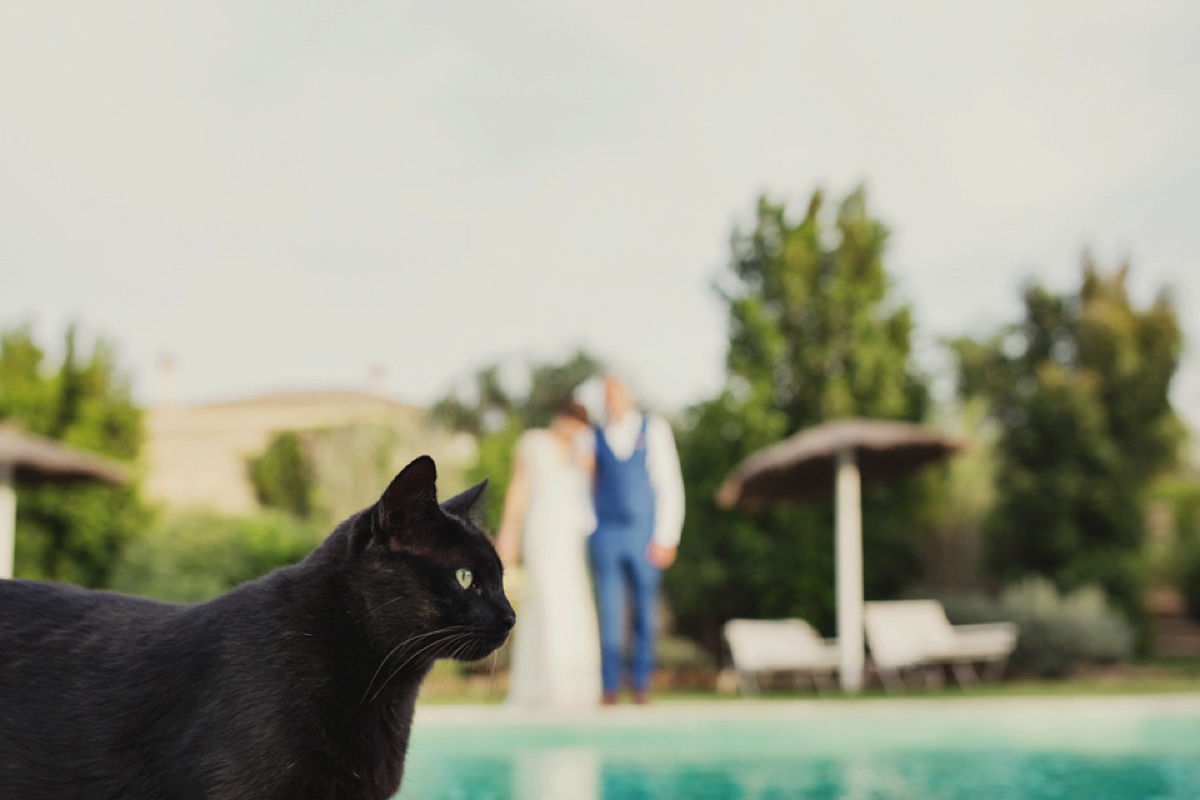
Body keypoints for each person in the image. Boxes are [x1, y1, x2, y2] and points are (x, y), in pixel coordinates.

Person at [496, 398, 601, 708]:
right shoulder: (534, 442)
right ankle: (541, 684)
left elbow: (595, 495)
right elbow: (519, 488)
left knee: (572, 600)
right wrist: (509, 530)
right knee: (544, 600)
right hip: (541, 531)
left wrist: (586, 463)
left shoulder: (583, 453)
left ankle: (575, 685)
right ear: (560, 416)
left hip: (570, 535)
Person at [589, 375, 685, 704]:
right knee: (610, 613)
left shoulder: (653, 429)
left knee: (646, 612)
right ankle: (610, 686)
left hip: (644, 534)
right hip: (606, 535)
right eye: (606, 394)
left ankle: (642, 683)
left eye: (616, 392)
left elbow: (668, 482)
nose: (611, 399)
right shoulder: (595, 435)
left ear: (628, 395)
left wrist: (667, 535)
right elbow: (586, 485)